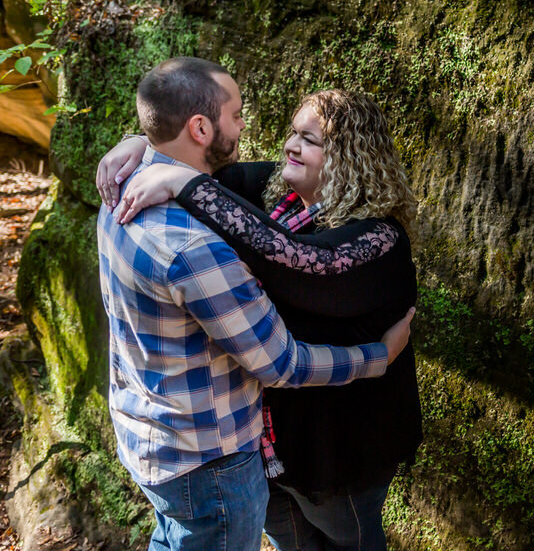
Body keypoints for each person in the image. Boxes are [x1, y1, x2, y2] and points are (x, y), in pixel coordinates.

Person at [96, 58, 415, 551]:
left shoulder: (380, 241)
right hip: (269, 450)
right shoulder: (272, 195)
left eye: (310, 139)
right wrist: (141, 146)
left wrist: (182, 183)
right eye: (293, 131)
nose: (290, 143)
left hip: (340, 453)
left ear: (353, 155)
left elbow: (302, 260)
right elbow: (197, 158)